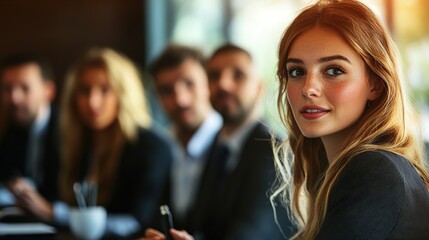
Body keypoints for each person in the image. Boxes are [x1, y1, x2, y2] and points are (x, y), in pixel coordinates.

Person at [272, 0, 429, 239]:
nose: (308, 88)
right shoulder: (351, 170)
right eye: (297, 71)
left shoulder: (376, 172)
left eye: (334, 70)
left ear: (376, 83)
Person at [8, 48, 173, 238]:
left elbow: (136, 222)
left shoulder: (150, 146)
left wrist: (55, 213)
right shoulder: (77, 143)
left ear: (123, 93)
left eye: (105, 90)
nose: (93, 102)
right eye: (84, 91)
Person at [142, 44, 294, 240]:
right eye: (214, 76)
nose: (223, 84)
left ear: (259, 87)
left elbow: (253, 234)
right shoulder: (217, 146)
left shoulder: (275, 151)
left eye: (238, 75)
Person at [148, 44, 222, 229]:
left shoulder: (231, 146)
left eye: (189, 84)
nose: (181, 99)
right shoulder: (160, 147)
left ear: (208, 84)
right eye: (166, 90)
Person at [0, 53, 59, 206]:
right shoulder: (10, 130)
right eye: (7, 88)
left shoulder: (69, 132)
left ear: (48, 91)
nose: (14, 98)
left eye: (24, 88)